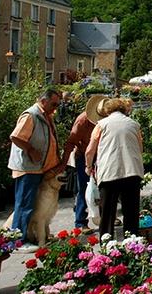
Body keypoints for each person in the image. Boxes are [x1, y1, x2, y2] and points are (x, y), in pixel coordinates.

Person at [8, 88, 61, 252]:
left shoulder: (44, 116)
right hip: (27, 168)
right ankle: (18, 241)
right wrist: (31, 150)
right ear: (43, 101)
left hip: (38, 168)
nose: (55, 108)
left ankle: (30, 236)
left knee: (32, 205)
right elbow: (15, 136)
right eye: (53, 104)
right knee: (24, 204)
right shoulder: (31, 115)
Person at [85, 97, 144, 239]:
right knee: (131, 211)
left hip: (109, 172)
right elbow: (140, 148)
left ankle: (106, 242)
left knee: (107, 212)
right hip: (132, 172)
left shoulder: (101, 125)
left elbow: (90, 150)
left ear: (107, 111)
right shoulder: (134, 124)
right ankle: (132, 242)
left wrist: (88, 166)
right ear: (124, 110)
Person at [57, 94, 104, 231]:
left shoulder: (106, 119)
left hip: (101, 155)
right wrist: (63, 164)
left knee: (104, 187)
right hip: (83, 156)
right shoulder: (82, 121)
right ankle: (80, 222)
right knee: (84, 188)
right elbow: (71, 142)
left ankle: (105, 217)